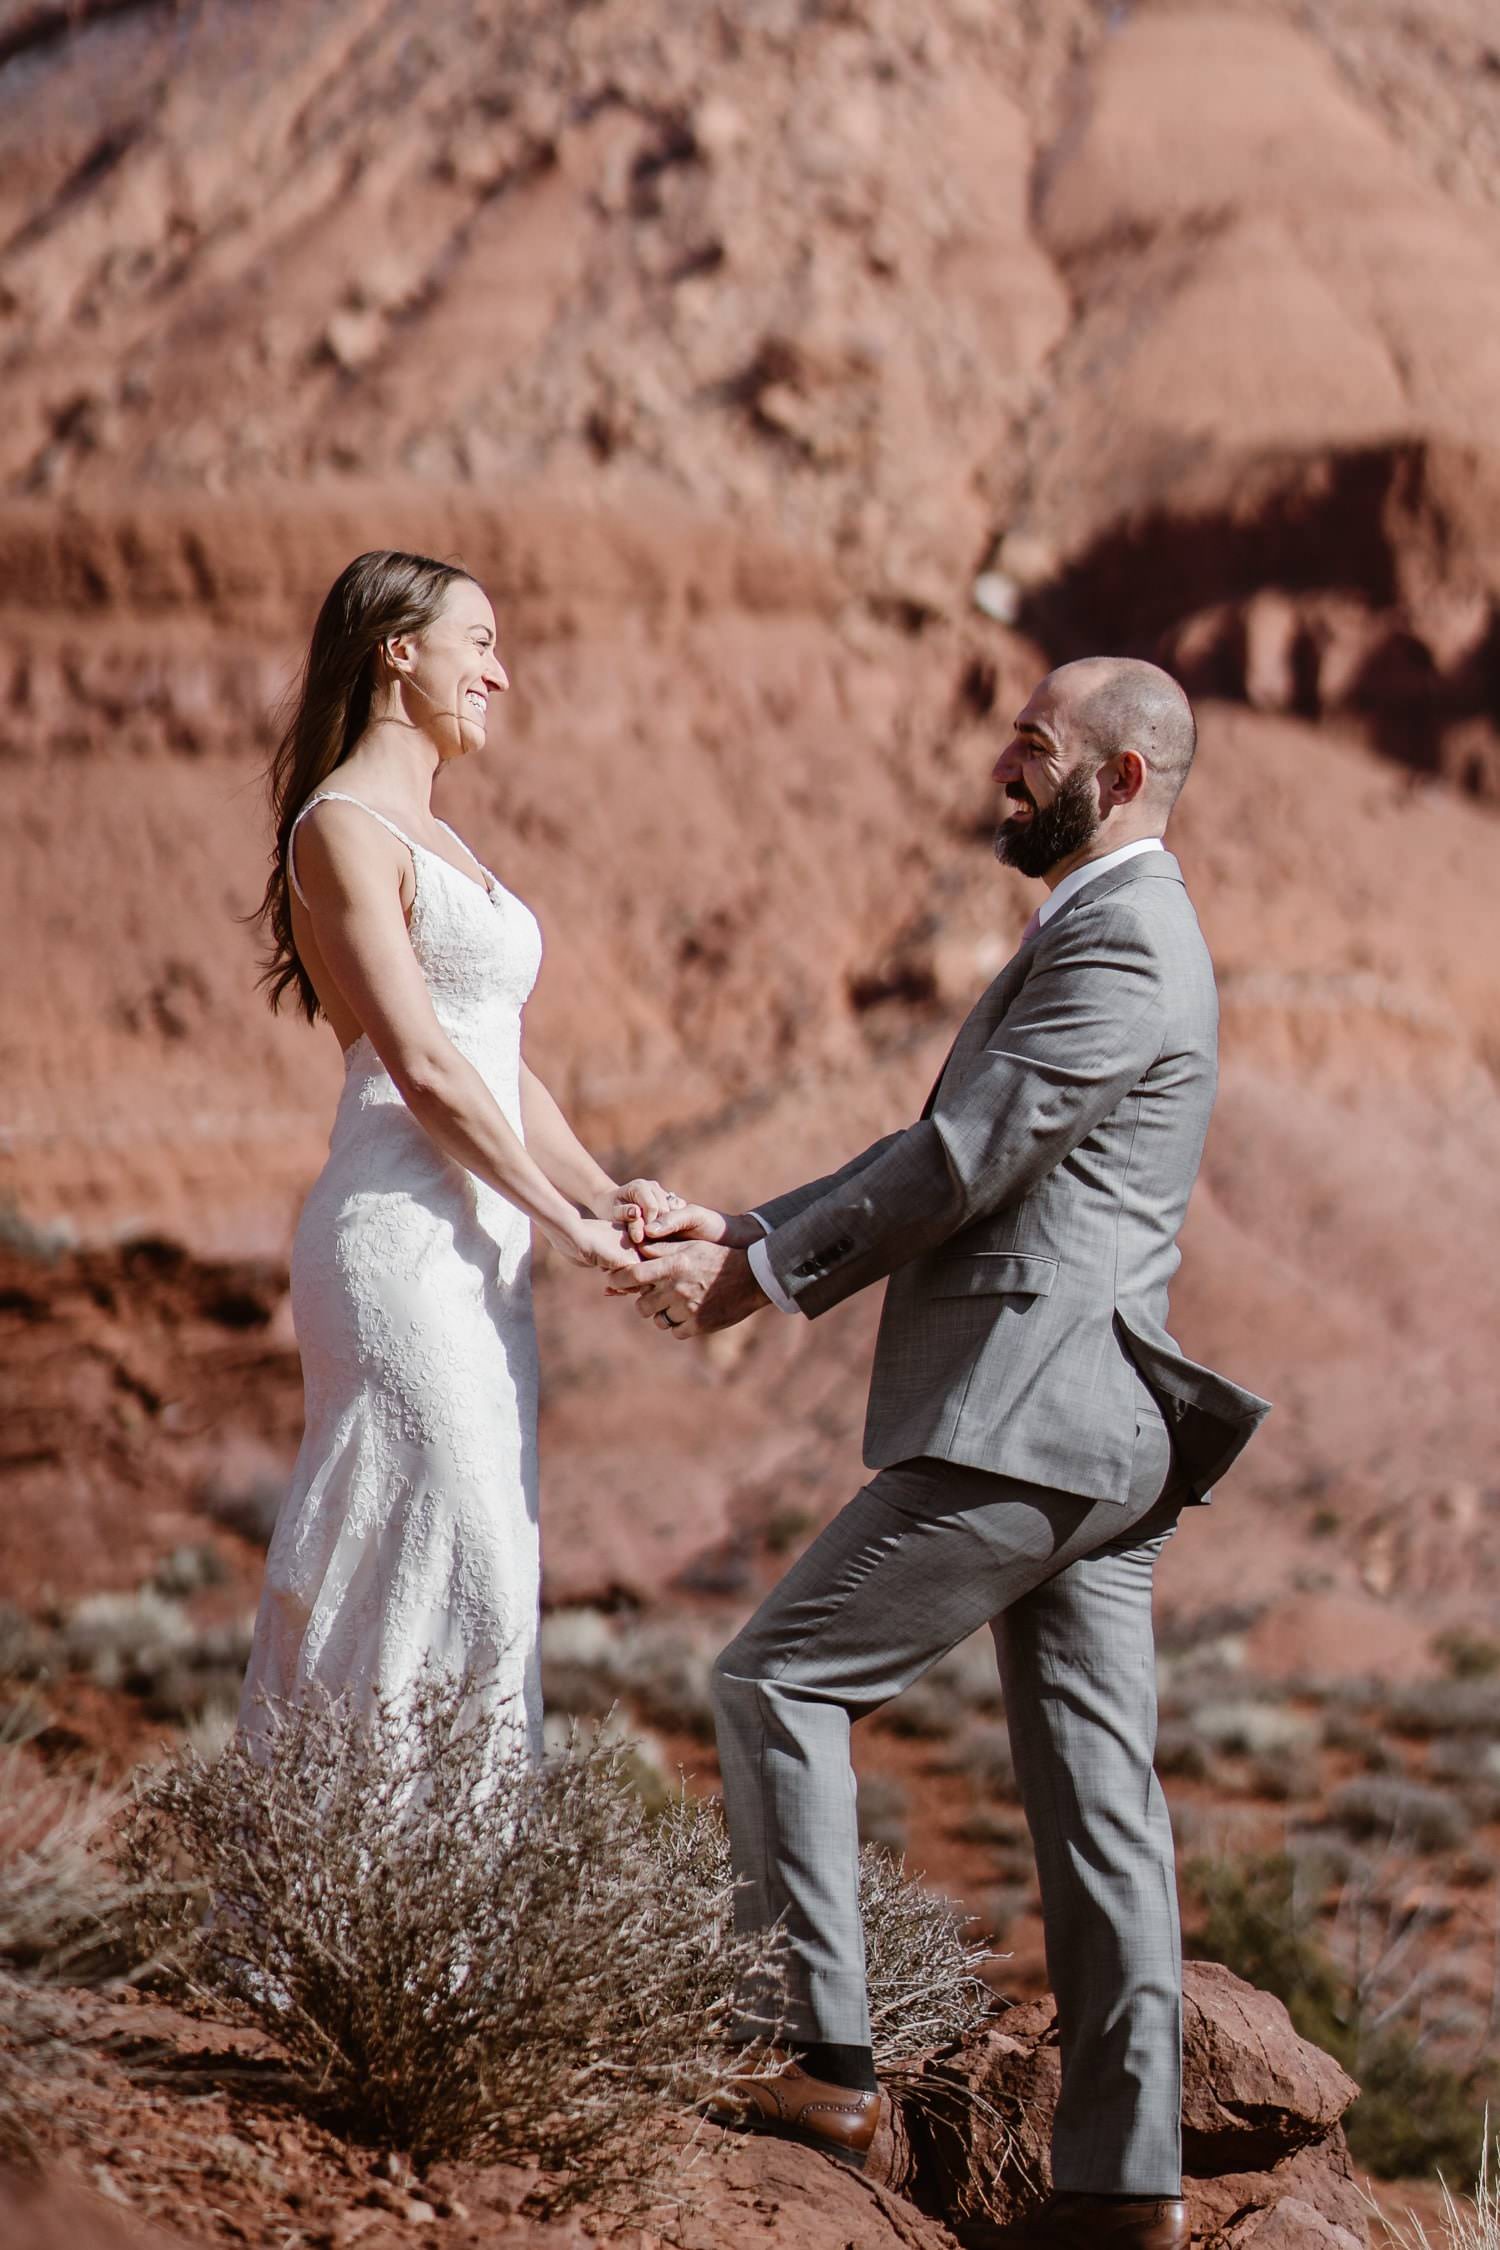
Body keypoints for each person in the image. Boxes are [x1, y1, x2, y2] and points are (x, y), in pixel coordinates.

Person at [611, 658, 1271, 2250]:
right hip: (1097, 1435)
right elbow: (945, 1144)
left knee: (779, 1680)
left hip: (1032, 1419)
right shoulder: (1107, 930)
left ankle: (817, 2057)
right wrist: (753, 1217)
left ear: (1117, 780)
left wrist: (759, 1282)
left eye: (1031, 748)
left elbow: (969, 1159)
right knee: (1102, 1800)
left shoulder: (1128, 944)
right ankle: (1123, 2187)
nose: (999, 765)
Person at [239, 549, 675, 1764]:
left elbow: (499, 1062)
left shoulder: (444, 839)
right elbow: (423, 1066)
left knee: (491, 1562)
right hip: (399, 1236)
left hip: (482, 1245)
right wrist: (565, 1220)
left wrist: (602, 1190)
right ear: (397, 650)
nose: (499, 670)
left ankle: (454, 1938)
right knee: (444, 1539)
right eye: (476, 642)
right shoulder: (340, 827)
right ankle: (354, 1905)